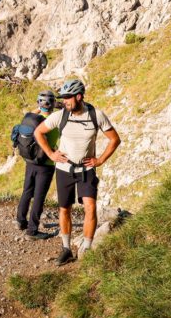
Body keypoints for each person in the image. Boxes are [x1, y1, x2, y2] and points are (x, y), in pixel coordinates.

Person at [34, 79, 120, 265]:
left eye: (67, 98)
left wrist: (100, 160)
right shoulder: (60, 116)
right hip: (64, 169)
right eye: (63, 98)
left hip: (87, 170)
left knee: (90, 208)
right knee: (64, 209)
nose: (64, 101)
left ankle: (87, 249)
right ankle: (66, 249)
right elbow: (38, 132)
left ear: (79, 96)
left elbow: (114, 139)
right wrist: (51, 153)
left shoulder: (96, 115)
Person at [15, 90, 59, 237]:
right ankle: (32, 231)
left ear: (38, 103)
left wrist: (40, 107)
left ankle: (20, 221)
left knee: (27, 191)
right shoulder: (52, 122)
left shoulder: (30, 118)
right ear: (52, 104)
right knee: (39, 196)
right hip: (45, 164)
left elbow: (33, 112)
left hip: (30, 161)